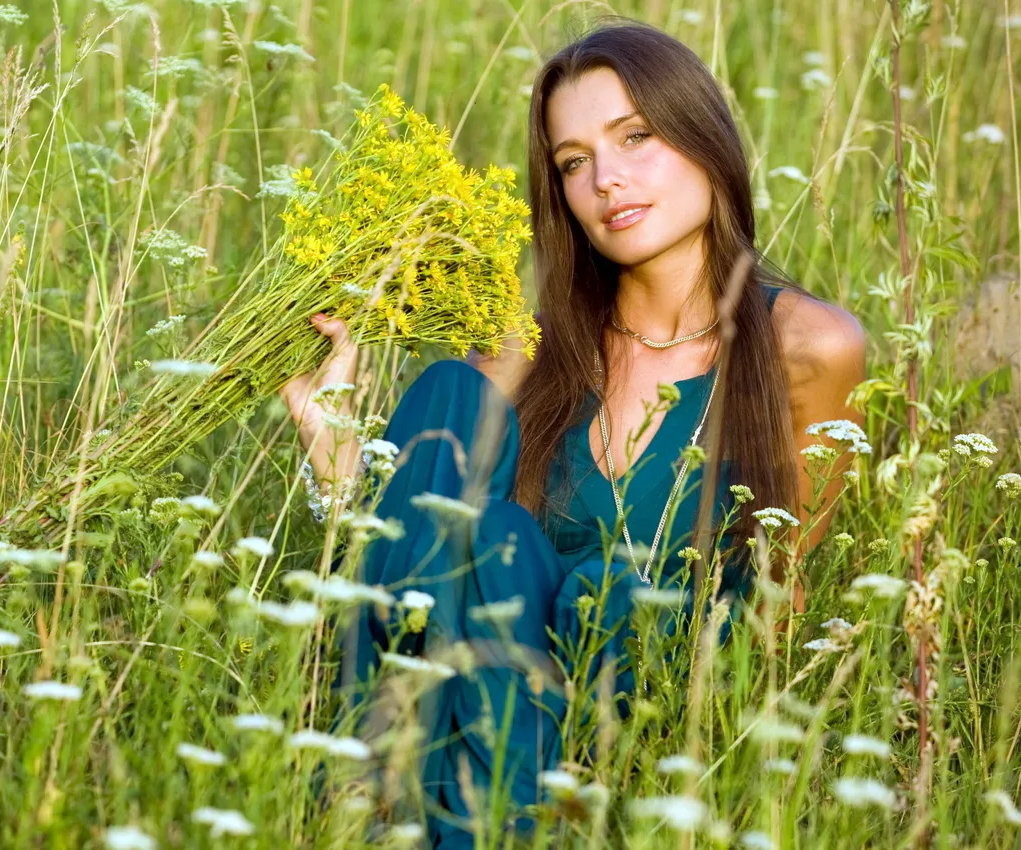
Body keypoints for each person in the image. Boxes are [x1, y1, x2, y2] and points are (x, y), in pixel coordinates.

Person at [279, 20, 866, 849]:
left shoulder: (809, 347)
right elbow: (419, 542)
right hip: (493, 675)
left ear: (706, 137)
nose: (607, 181)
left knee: (605, 589)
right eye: (573, 162)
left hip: (647, 674)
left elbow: (785, 587)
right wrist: (334, 441)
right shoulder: (529, 346)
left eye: (636, 137)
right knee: (462, 426)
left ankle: (404, 801)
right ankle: (439, 801)